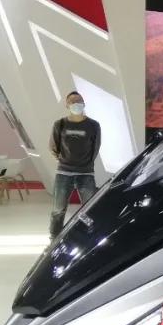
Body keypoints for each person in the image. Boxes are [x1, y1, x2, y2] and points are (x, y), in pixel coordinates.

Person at [49, 91, 101, 239]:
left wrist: (87, 163)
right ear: (67, 105)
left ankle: (89, 237)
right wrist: (64, 160)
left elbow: (96, 147)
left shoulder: (93, 125)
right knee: (58, 209)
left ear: (84, 103)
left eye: (79, 100)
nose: (76, 104)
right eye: (72, 101)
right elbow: (53, 146)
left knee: (90, 208)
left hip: (86, 173)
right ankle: (54, 238)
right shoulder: (60, 124)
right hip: (64, 173)